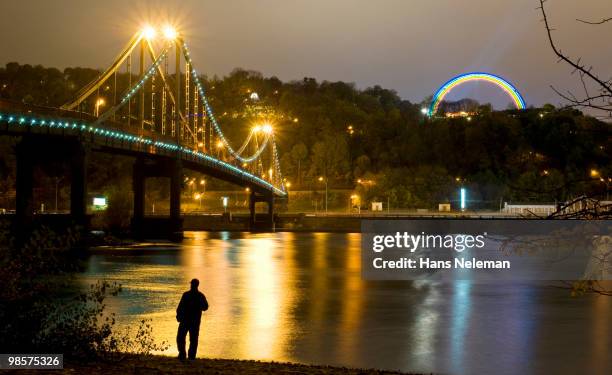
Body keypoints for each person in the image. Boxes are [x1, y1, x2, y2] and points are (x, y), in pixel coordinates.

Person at [176, 278, 209, 360]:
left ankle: (183, 354)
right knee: (191, 339)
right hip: (194, 321)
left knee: (182, 337)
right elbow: (205, 307)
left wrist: (179, 316)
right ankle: (189, 356)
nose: (191, 285)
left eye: (192, 284)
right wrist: (179, 315)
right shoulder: (200, 295)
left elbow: (180, 307)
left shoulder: (186, 295)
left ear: (192, 285)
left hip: (186, 320)